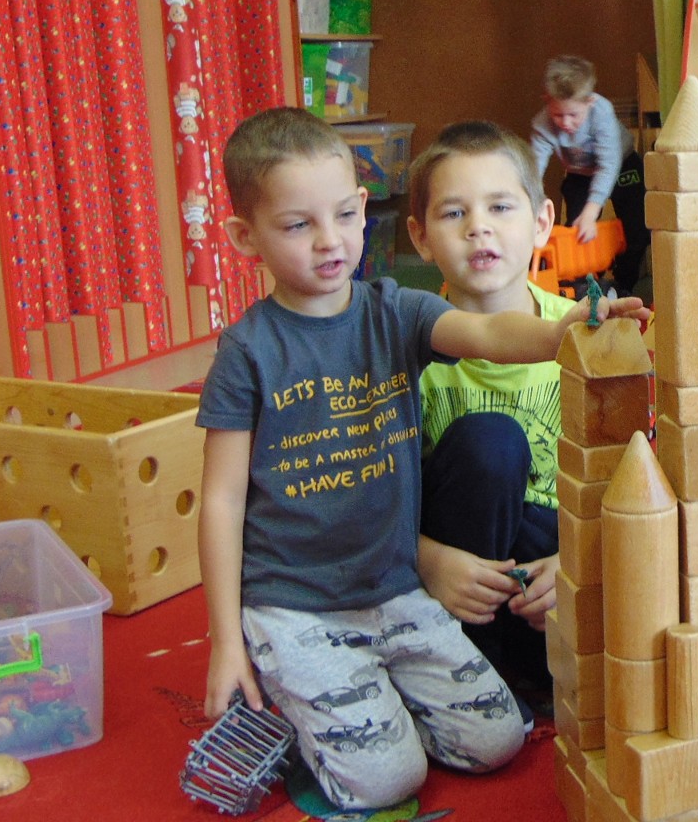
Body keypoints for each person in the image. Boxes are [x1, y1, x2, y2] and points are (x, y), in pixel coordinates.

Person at [195, 107, 649, 811]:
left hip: (395, 587)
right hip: (297, 600)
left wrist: (564, 331)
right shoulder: (247, 353)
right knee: (389, 781)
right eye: (297, 225)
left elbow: (489, 333)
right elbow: (222, 501)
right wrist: (226, 640)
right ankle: (307, 698)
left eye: (345, 215)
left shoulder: (395, 310)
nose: (330, 241)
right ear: (243, 237)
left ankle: (370, 697)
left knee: (497, 741)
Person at [405, 121, 568, 700]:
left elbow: (632, 480)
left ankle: (532, 673)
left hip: (553, 575)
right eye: (454, 213)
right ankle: (476, 678)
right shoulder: (403, 348)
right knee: (490, 442)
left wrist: (577, 564)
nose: (479, 227)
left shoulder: (580, 338)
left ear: (542, 222)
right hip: (455, 580)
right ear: (421, 238)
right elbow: (374, 495)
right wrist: (427, 560)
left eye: (500, 207)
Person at [529, 55, 650, 297]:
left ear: (590, 101)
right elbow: (532, 171)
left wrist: (592, 212)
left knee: (637, 229)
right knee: (577, 229)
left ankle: (625, 283)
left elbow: (609, 164)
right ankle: (585, 284)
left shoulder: (601, 112)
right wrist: (533, 207)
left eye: (573, 115)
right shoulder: (542, 125)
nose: (566, 123)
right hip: (580, 174)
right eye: (558, 115)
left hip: (621, 163)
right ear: (547, 101)